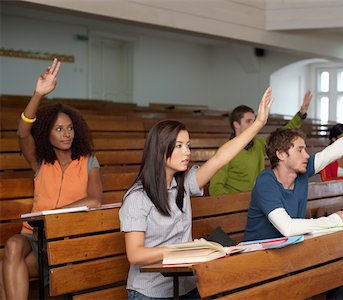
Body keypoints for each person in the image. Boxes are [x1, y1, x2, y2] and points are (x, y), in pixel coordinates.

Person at [119, 87, 273, 299]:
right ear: (160, 150)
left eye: (188, 145)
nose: (187, 152)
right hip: (151, 292)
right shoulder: (138, 198)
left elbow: (220, 158)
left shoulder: (184, 185)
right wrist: (184, 250)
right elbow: (135, 255)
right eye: (179, 146)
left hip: (187, 285)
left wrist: (258, 124)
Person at [244, 96, 343, 300]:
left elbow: (338, 148)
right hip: (259, 261)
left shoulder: (301, 172)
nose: (307, 155)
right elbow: (288, 227)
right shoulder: (266, 181)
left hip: (290, 253)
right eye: (300, 150)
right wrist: (333, 221)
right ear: (281, 155)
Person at [0, 59, 103, 300]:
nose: (66, 134)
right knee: (13, 245)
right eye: (58, 129)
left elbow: (95, 200)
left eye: (70, 128)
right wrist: (38, 93)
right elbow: (22, 133)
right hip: (33, 239)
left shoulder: (88, 161)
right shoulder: (40, 162)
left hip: (64, 242)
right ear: (46, 132)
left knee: (4, 268)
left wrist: (50, 216)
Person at [209, 90, 313, 196]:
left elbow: (282, 134)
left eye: (254, 121)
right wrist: (236, 203)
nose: (254, 124)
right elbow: (215, 188)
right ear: (236, 124)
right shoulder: (226, 151)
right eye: (248, 121)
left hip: (258, 200)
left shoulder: (258, 143)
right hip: (235, 205)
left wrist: (301, 114)